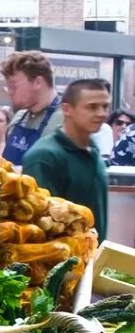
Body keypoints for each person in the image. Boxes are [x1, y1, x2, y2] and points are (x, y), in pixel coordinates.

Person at [22, 77, 111, 239]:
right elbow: (38, 225)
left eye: (105, 107)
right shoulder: (44, 156)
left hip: (94, 258)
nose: (102, 114)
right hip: (63, 261)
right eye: (92, 107)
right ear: (67, 109)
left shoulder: (93, 150)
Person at [0, 51, 59, 165]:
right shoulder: (18, 118)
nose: (10, 92)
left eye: (13, 86)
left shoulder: (65, 120)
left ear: (37, 82)